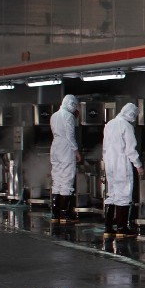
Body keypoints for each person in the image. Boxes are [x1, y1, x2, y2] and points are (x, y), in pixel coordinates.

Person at [102, 103, 144, 238]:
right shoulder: (126, 126)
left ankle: (108, 228)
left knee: (112, 194)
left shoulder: (109, 124)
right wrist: (138, 165)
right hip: (121, 164)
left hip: (109, 163)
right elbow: (130, 149)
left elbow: (105, 146)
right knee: (124, 195)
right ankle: (122, 228)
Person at [49, 94, 81, 224]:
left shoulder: (54, 115)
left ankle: (55, 214)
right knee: (67, 180)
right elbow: (70, 135)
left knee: (57, 180)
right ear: (71, 104)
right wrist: (76, 151)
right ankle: (65, 214)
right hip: (65, 149)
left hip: (55, 147)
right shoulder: (68, 116)